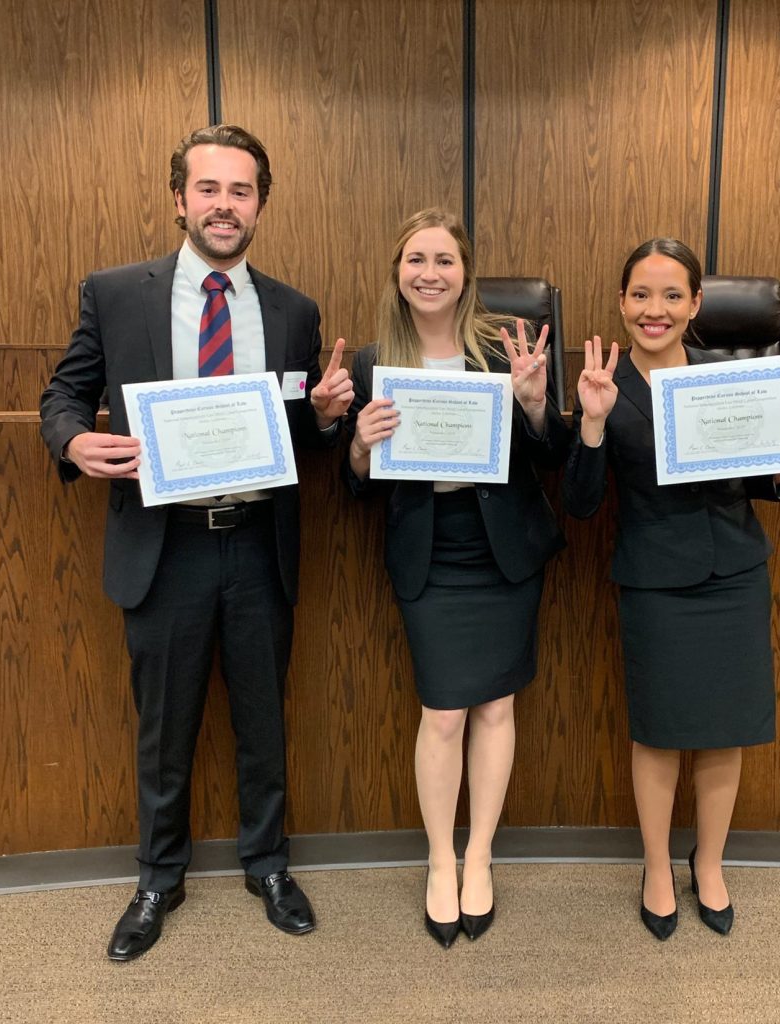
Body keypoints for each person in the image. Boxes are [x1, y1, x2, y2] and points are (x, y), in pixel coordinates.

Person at [39, 124, 353, 961]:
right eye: (208, 189)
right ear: (179, 198)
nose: (224, 205)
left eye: (241, 191)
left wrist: (324, 418)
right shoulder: (115, 294)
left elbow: (304, 432)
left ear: (260, 206)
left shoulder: (293, 310)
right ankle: (157, 877)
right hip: (163, 544)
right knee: (163, 727)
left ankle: (268, 866)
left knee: (263, 719)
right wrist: (72, 441)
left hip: (258, 544)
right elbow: (63, 394)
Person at [562, 238, 780, 939]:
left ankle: (708, 863)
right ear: (621, 303)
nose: (655, 310)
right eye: (640, 295)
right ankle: (654, 867)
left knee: (722, 733)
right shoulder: (603, 381)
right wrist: (589, 425)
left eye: (671, 295)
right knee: (658, 734)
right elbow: (581, 505)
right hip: (654, 579)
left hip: (734, 572)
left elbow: (754, 477)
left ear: (695, 304)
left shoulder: (727, 373)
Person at [344, 208, 569, 947]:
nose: (429, 273)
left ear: (465, 272)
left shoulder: (505, 348)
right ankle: (440, 860)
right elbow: (355, 485)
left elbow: (550, 456)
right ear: (397, 271)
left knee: (496, 709)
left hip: (501, 550)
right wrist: (357, 449)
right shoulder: (373, 360)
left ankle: (480, 858)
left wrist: (534, 403)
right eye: (415, 259)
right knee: (442, 712)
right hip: (429, 553)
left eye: (444, 259)